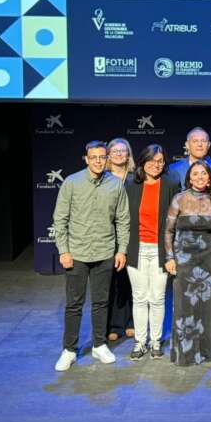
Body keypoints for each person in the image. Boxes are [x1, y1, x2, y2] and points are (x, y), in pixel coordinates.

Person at [52, 141, 130, 371]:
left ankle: (99, 344)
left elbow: (123, 220)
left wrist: (122, 249)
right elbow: (60, 219)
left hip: (105, 252)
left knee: (101, 302)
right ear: (86, 159)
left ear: (106, 159)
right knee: (74, 304)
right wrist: (63, 250)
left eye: (102, 157)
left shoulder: (115, 184)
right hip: (76, 253)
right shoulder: (72, 182)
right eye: (93, 157)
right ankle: (69, 349)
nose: (98, 161)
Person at [164, 160, 211, 366]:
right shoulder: (179, 199)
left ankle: (207, 352)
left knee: (208, 306)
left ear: (209, 178)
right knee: (184, 306)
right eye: (195, 174)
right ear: (189, 178)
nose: (200, 177)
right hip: (184, 260)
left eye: (204, 174)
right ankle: (186, 353)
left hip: (208, 259)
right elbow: (169, 231)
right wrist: (170, 258)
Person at [124, 144, 179, 360]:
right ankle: (140, 342)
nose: (156, 165)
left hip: (160, 250)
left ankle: (155, 341)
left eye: (160, 161)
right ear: (142, 162)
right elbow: (124, 220)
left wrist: (171, 253)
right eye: (152, 160)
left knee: (157, 298)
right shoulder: (130, 185)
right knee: (139, 298)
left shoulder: (171, 184)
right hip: (136, 249)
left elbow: (176, 221)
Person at [105, 137, 136, 342]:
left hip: (132, 234)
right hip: (108, 236)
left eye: (122, 151)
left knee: (132, 280)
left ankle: (132, 321)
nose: (119, 154)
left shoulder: (135, 178)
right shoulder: (103, 177)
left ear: (128, 154)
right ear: (108, 155)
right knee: (113, 282)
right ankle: (115, 324)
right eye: (115, 151)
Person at [168, 127, 211, 194]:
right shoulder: (174, 168)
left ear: (208, 145)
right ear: (187, 145)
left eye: (203, 141)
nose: (199, 144)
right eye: (195, 141)